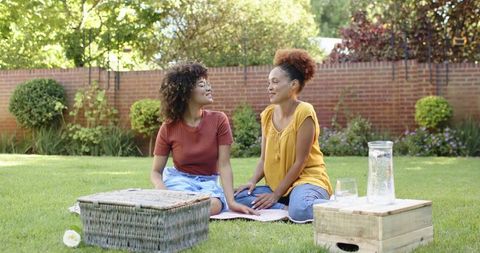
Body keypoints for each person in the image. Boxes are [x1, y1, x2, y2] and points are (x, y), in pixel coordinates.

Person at [234, 49, 333, 222]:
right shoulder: (267, 114)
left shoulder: (305, 112)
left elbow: (300, 161)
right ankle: (285, 208)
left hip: (307, 181)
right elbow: (264, 159)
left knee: (301, 210)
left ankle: (308, 205)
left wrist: (275, 195)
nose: (269, 87)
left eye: (275, 82)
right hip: (277, 187)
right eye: (269, 82)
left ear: (293, 84)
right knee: (234, 197)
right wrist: (252, 181)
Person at [151, 62, 257, 216]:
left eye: (208, 84)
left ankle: (177, 212)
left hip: (208, 182)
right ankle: (178, 210)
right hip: (180, 181)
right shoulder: (168, 127)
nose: (209, 88)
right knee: (181, 201)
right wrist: (162, 190)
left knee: (214, 205)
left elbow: (224, 165)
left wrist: (231, 202)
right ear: (186, 92)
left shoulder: (219, 120)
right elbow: (155, 172)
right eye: (202, 85)